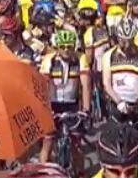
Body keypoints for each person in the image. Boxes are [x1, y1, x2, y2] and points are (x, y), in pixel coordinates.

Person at [102, 19, 138, 170]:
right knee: (115, 144)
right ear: (118, 38)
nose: (126, 45)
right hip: (117, 103)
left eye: (130, 41)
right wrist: (118, 101)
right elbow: (106, 83)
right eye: (123, 41)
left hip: (137, 103)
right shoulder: (109, 55)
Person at [38, 29, 91, 175]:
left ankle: (80, 173)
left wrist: (86, 109)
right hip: (53, 104)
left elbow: (86, 85)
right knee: (47, 142)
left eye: (70, 47)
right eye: (63, 47)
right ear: (57, 47)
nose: (67, 50)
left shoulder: (81, 58)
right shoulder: (49, 59)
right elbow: (43, 86)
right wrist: (45, 109)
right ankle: (42, 173)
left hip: (72, 104)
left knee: (76, 143)